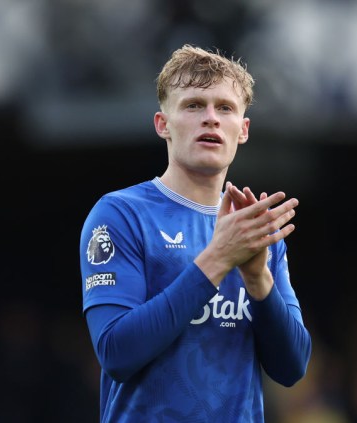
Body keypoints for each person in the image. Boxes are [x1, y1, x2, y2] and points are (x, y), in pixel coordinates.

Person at [79, 44, 312, 423]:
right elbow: (116, 353)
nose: (211, 119)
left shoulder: (253, 229)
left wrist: (257, 279)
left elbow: (291, 368)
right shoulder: (120, 214)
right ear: (162, 124)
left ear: (243, 130)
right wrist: (218, 259)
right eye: (193, 105)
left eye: (225, 108)